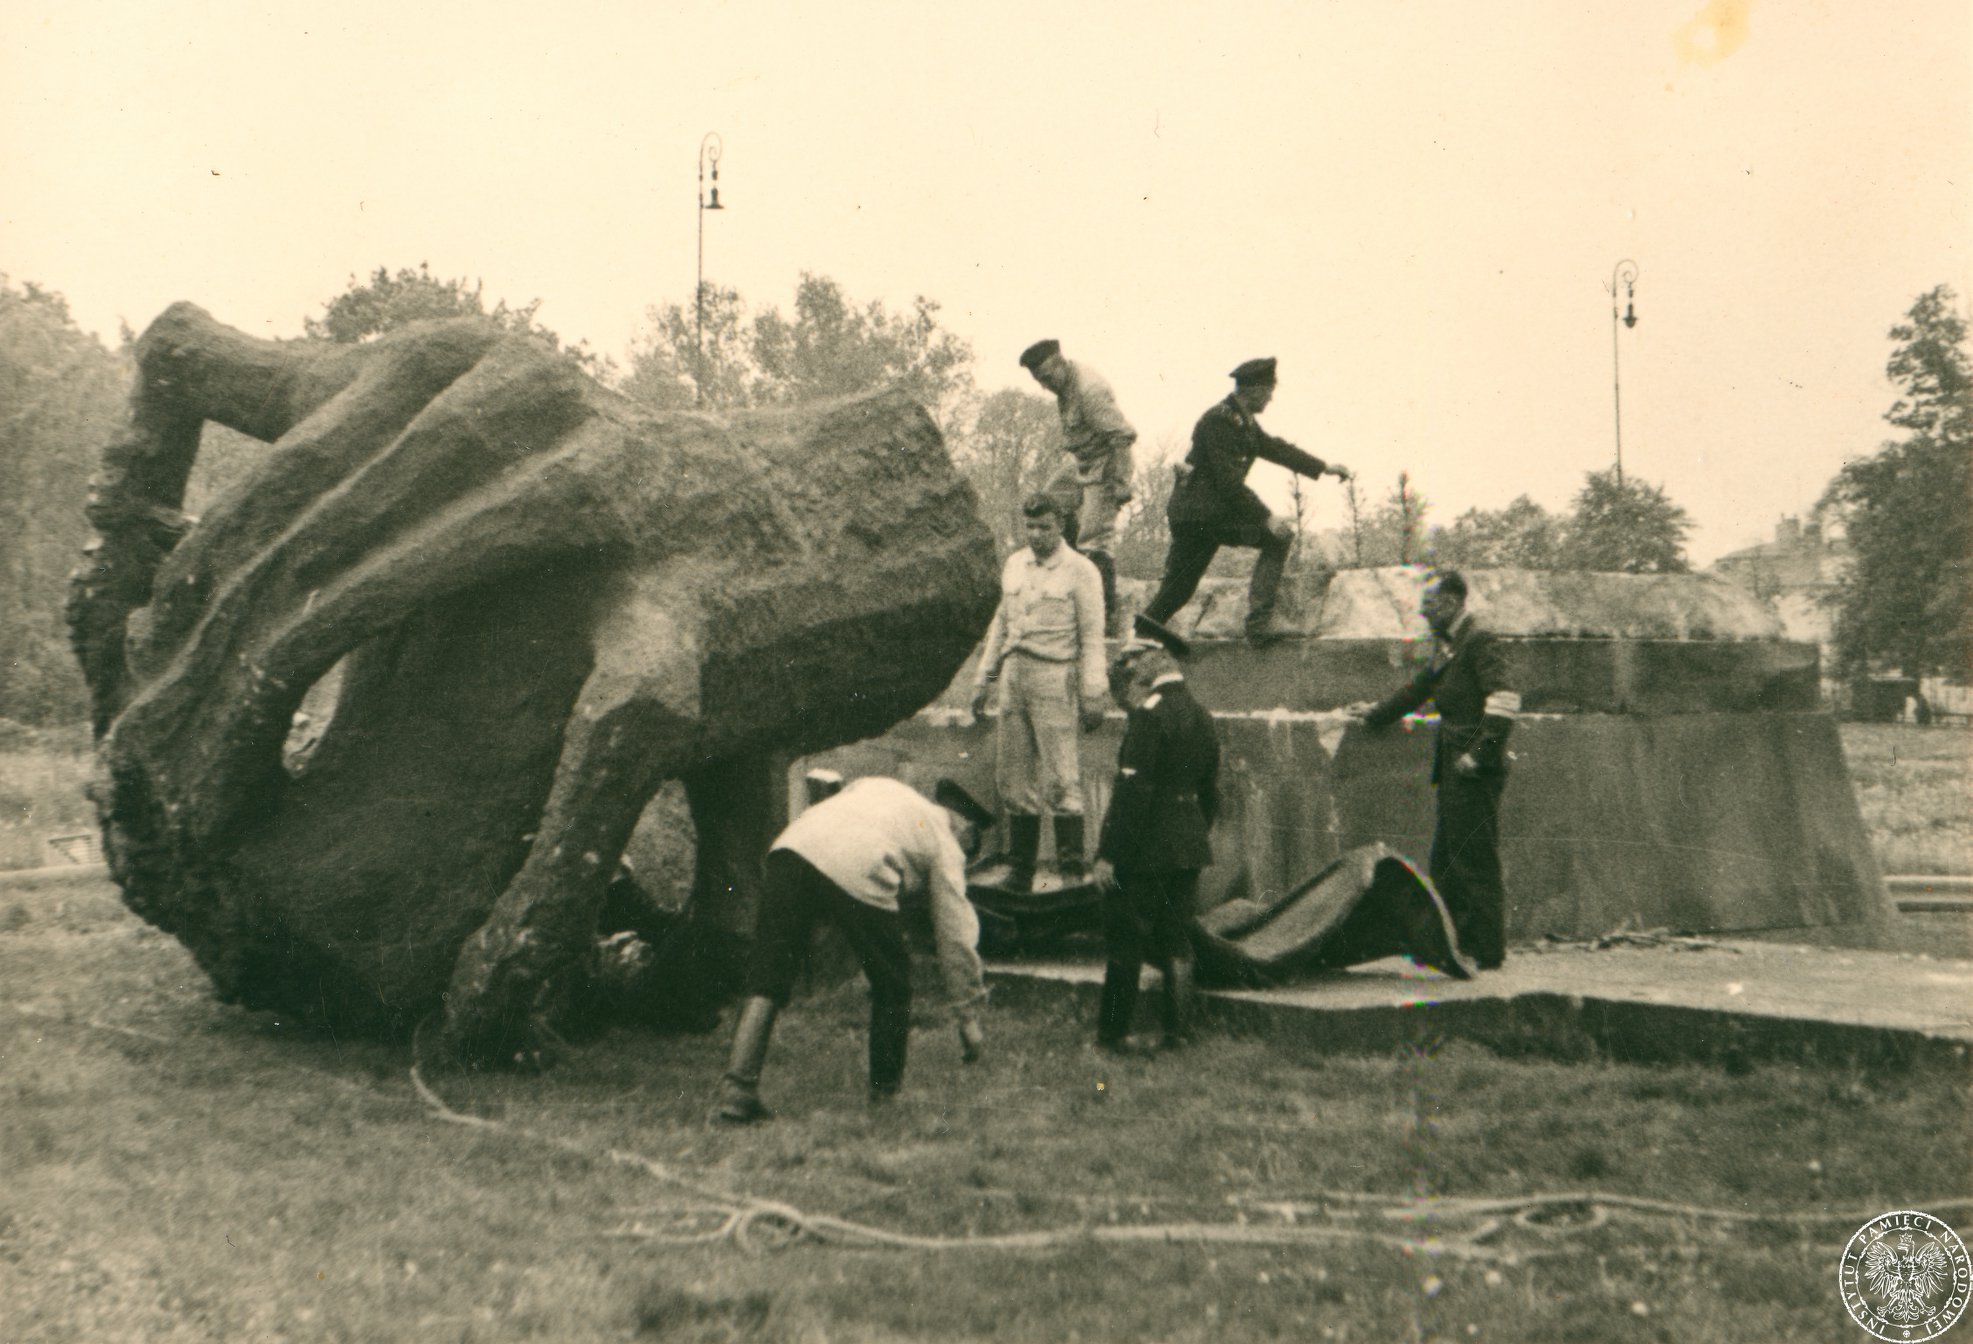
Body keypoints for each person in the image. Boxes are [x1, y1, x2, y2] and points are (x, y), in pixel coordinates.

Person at [710, 776, 995, 1123]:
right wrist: (968, 1015)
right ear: (966, 829)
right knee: (893, 984)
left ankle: (736, 1092)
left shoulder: (885, 787)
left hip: (791, 847)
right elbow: (955, 935)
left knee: (767, 973)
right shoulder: (946, 841)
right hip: (857, 862)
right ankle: (885, 1099)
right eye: (970, 850)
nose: (964, 854)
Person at [1344, 570, 1520, 970]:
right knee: (1448, 858)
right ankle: (1455, 943)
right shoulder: (1450, 646)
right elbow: (1418, 690)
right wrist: (1374, 713)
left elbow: (1506, 698)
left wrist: (1482, 754)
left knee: (1473, 858)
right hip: (1455, 766)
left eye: (1431, 605)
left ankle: (1485, 950)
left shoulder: (1479, 642)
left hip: (1473, 767)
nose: (1424, 613)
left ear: (1455, 602)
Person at [1142, 356, 1352, 645]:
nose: (1270, 399)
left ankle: (1141, 636)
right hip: (1203, 516)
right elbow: (1228, 483)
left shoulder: (1243, 422)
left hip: (1201, 517)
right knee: (1278, 537)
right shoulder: (1219, 420)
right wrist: (1266, 516)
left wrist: (1323, 466)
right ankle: (1258, 624)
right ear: (1253, 390)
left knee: (1179, 587)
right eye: (1268, 392)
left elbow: (1277, 449)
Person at [1091, 615, 1220, 1054]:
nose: (1131, 668)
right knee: (1177, 940)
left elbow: (1133, 794)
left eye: (1137, 658)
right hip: (1187, 846)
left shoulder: (1149, 716)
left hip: (1145, 849)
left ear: (1158, 657)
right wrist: (1191, 835)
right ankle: (1177, 1034)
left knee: (1126, 940)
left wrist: (1109, 854)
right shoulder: (1202, 716)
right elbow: (1210, 794)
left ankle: (1113, 1034)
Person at [969, 494, 1109, 893]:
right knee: (1013, 778)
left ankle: (1070, 870)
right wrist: (984, 679)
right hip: (1015, 675)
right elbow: (1001, 625)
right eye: (1030, 527)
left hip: (1054, 675)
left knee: (1062, 777)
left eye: (1044, 527)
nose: (1036, 535)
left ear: (1061, 526)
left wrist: (1094, 690)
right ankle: (1020, 869)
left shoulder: (1081, 571)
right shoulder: (1015, 564)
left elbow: (1092, 636)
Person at [1019, 339, 1138, 632]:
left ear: (1060, 362)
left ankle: (1102, 616)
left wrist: (1121, 483)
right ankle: (1065, 576)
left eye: (1047, 377)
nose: (1044, 386)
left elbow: (1122, 437)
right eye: (1039, 380)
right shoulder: (1065, 386)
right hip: (1082, 462)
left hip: (1106, 463)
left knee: (1094, 540)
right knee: (1046, 504)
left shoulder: (1089, 390)